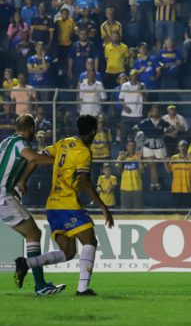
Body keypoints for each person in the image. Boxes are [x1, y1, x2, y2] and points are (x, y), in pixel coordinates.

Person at [14, 115, 115, 296]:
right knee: (90, 241)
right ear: (93, 132)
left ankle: (26, 263)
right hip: (68, 203)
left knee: (68, 252)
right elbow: (84, 181)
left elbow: (36, 159)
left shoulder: (63, 143)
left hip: (52, 205)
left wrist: (23, 180)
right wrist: (103, 207)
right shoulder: (84, 152)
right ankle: (83, 289)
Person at [0, 114, 63, 295]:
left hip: (6, 194)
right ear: (31, 129)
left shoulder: (7, 141)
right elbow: (33, 157)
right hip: (3, 197)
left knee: (33, 234)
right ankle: (40, 285)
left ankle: (39, 283)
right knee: (33, 234)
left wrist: (21, 181)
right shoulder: (21, 144)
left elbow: (31, 160)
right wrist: (60, 161)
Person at [136, 105, 174, 191]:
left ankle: (171, 182)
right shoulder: (146, 121)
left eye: (156, 110)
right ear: (150, 112)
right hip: (148, 145)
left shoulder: (162, 122)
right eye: (153, 110)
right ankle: (154, 183)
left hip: (160, 145)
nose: (155, 112)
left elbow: (172, 127)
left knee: (165, 164)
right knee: (152, 166)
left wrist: (165, 132)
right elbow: (137, 127)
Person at [167, 140, 191, 211]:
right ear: (178, 148)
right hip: (176, 189)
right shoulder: (174, 158)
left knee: (186, 212)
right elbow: (169, 171)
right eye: (181, 146)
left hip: (187, 189)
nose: (183, 148)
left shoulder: (190, 158)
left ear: (187, 148)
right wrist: (165, 162)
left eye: (184, 146)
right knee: (176, 212)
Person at [116, 139, 144, 211]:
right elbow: (118, 171)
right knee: (125, 213)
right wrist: (121, 161)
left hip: (137, 189)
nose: (131, 147)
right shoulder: (121, 156)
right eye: (129, 145)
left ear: (135, 147)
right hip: (125, 189)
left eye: (132, 146)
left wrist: (139, 161)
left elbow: (143, 171)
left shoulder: (139, 156)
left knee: (138, 212)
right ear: (126, 147)